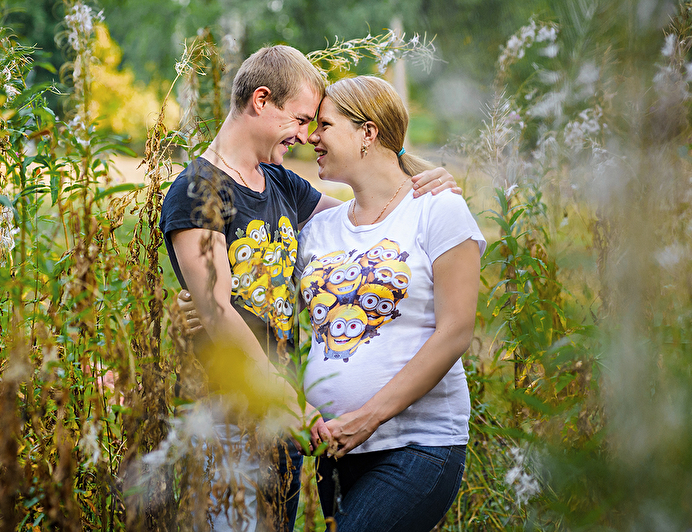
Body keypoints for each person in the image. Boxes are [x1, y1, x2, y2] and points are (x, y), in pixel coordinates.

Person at [159, 45, 458, 532]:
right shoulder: (198, 190)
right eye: (300, 119)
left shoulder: (280, 183)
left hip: (282, 422)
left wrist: (426, 181)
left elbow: (371, 219)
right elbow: (217, 310)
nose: (305, 136)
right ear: (261, 100)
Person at [297, 75, 486, 531]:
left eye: (325, 125)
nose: (311, 137)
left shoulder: (438, 210)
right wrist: (201, 304)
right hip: (334, 451)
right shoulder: (319, 229)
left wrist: (369, 417)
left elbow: (456, 332)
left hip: (418, 446)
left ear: (368, 132)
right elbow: (269, 315)